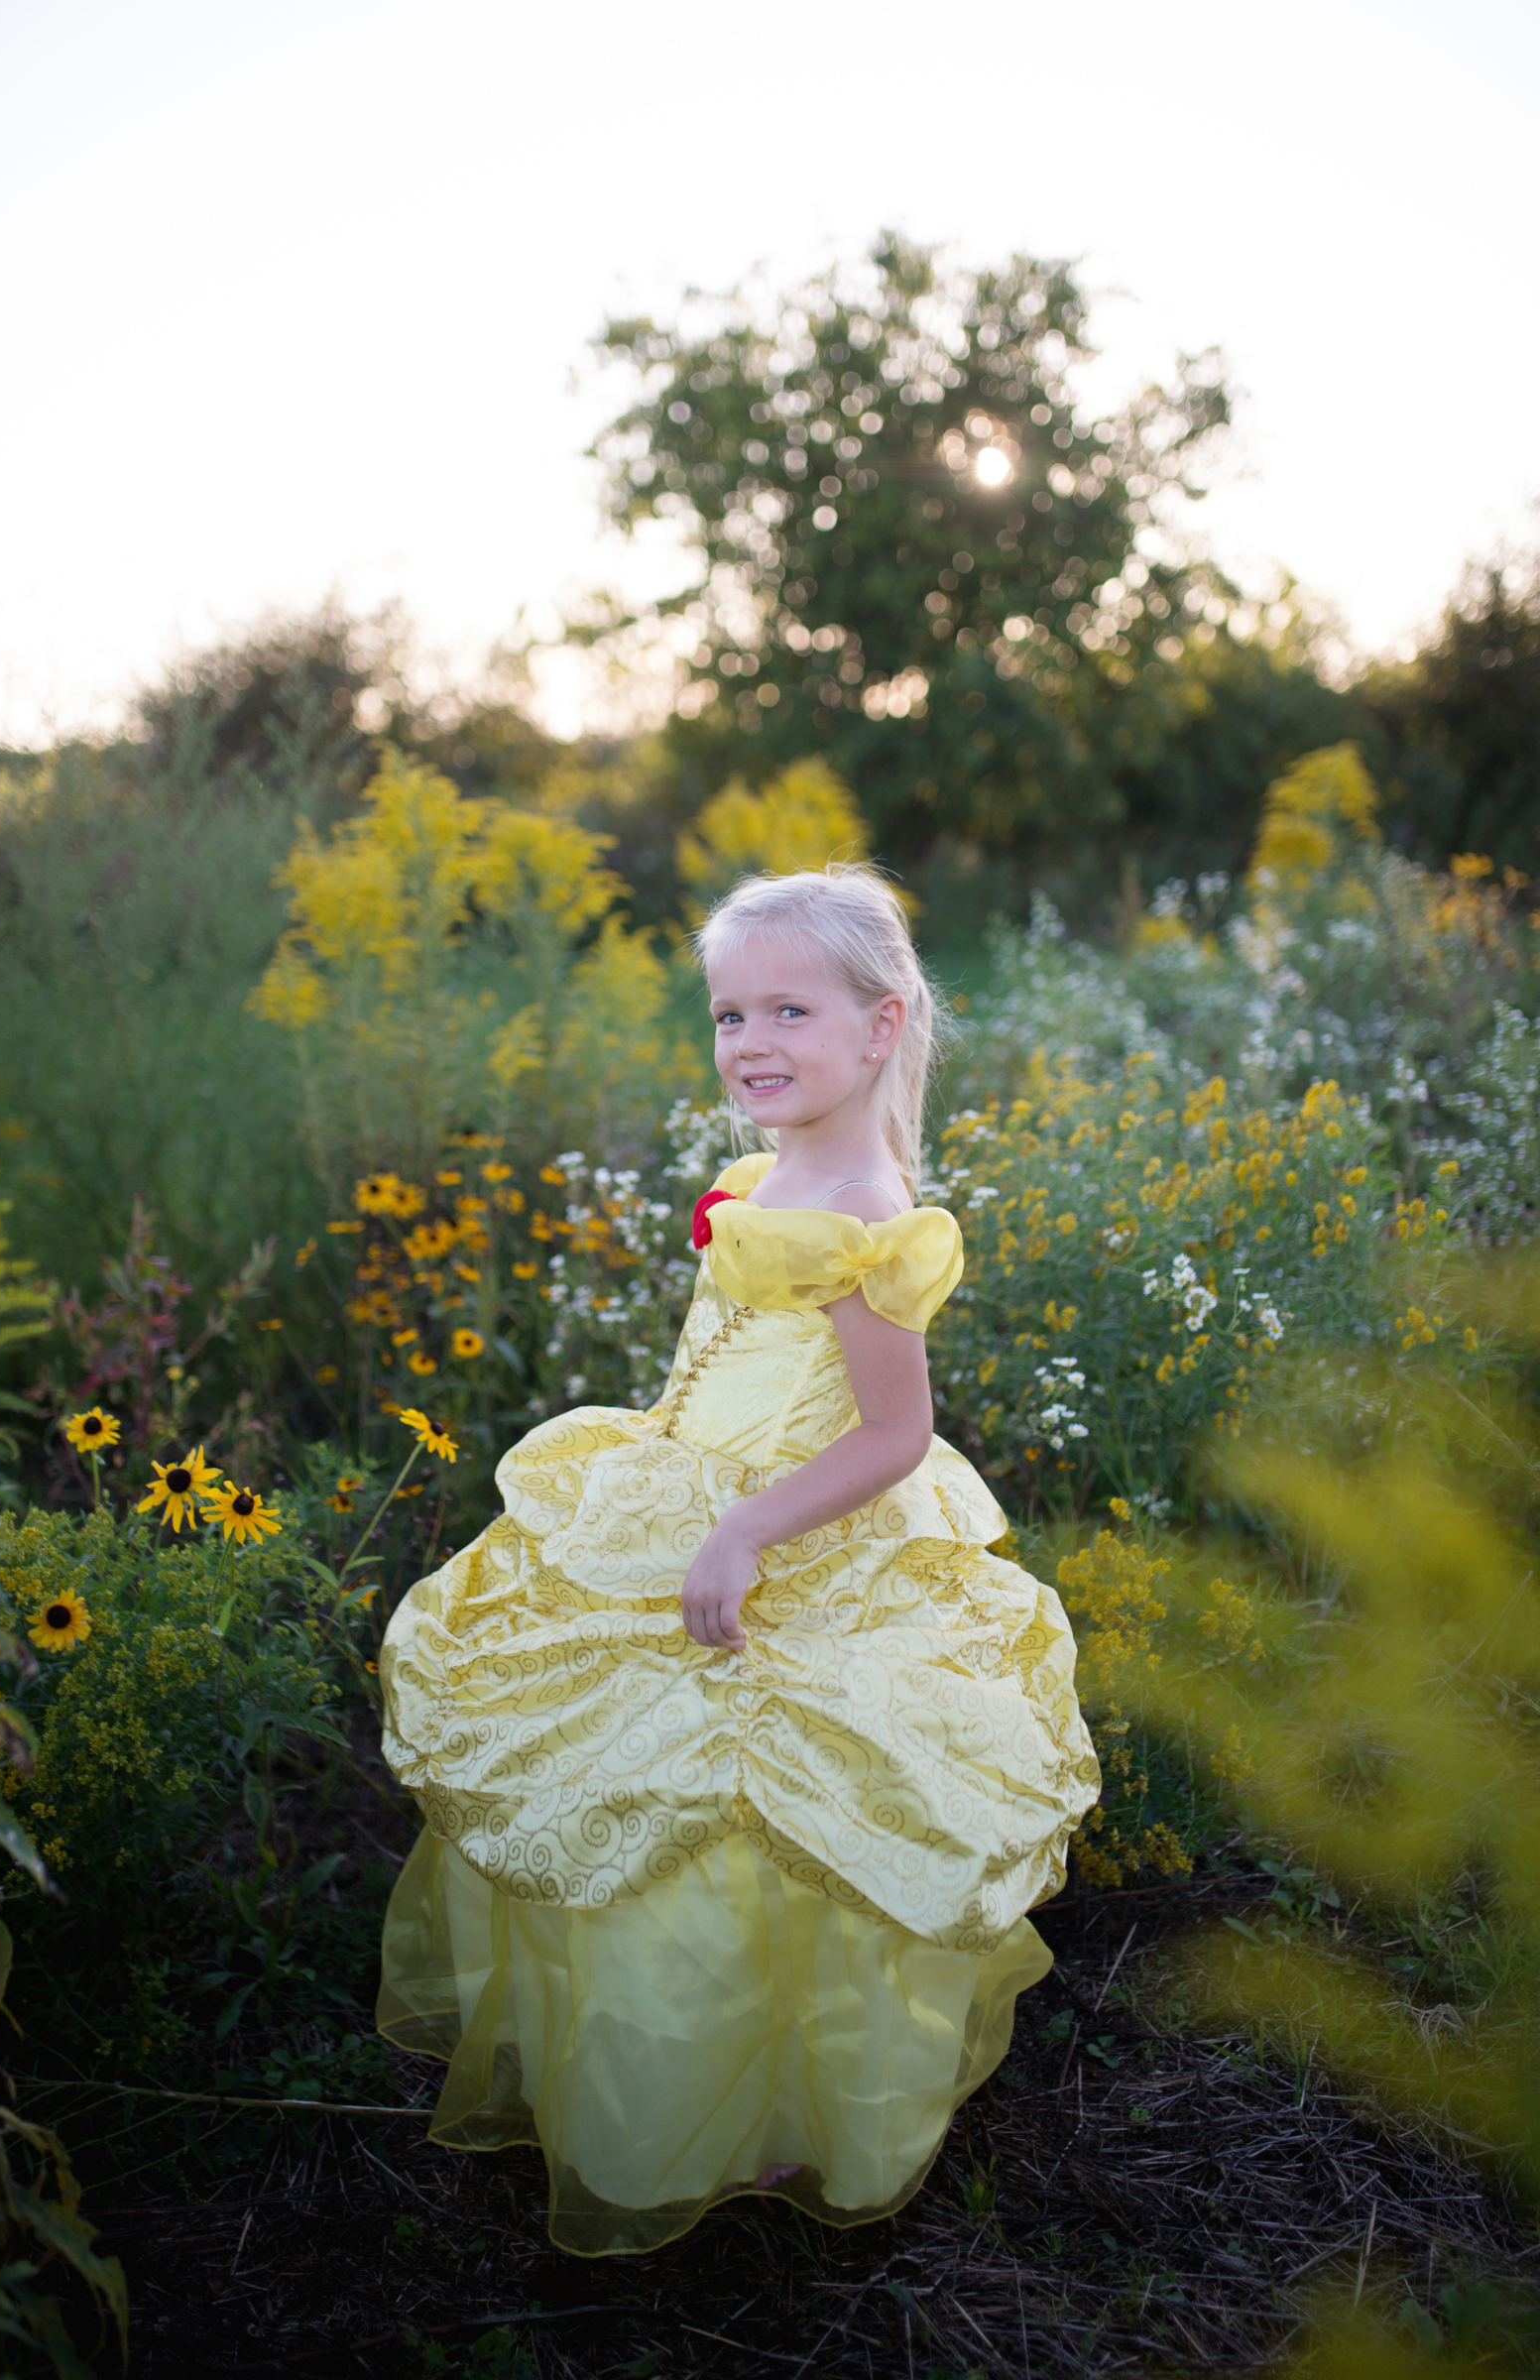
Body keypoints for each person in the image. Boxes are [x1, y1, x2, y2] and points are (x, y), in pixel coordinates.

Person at [377, 864, 1100, 2256]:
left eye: (789, 1010)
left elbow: (896, 1432)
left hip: (794, 1531)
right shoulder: (777, 1173)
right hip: (695, 1485)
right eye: (728, 1015)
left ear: (881, 1027)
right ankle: (634, 2070)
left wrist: (747, 1528)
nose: (750, 1042)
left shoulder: (867, 1217)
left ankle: (756, 2103)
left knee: (759, 1809)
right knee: (618, 1776)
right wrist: (669, 1480)